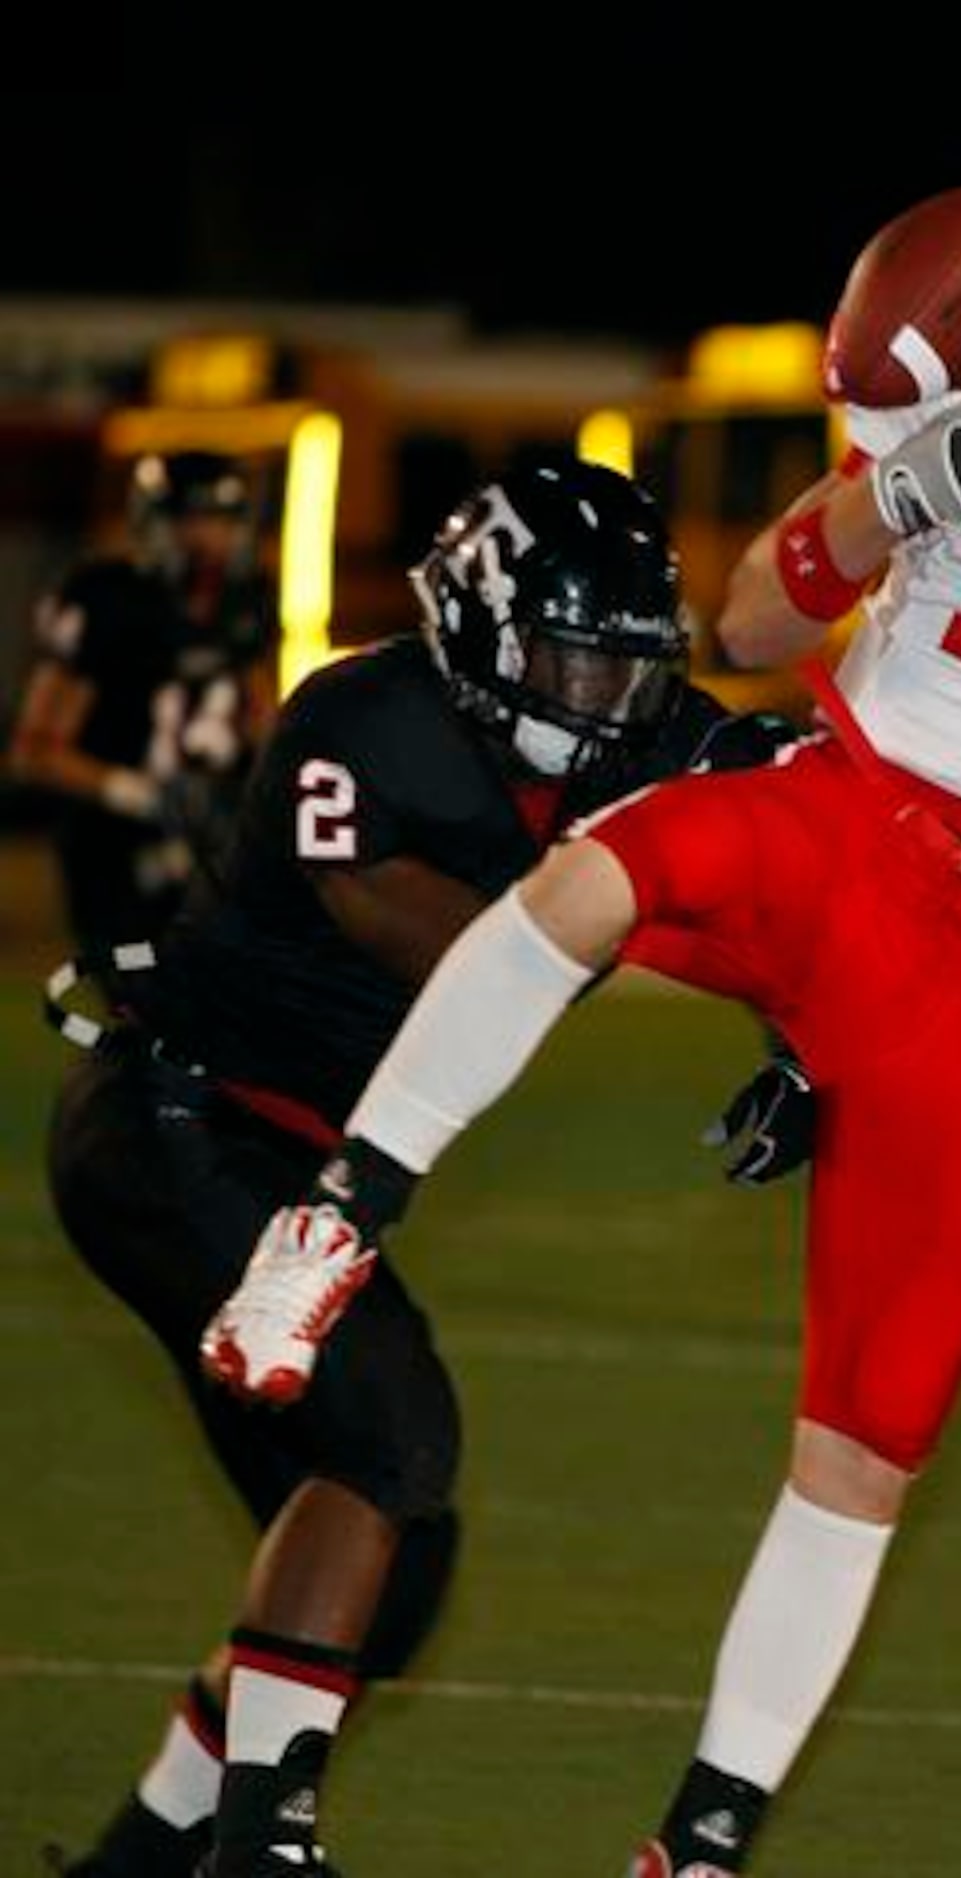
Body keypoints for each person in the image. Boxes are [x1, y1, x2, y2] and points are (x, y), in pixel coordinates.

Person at [200, 98, 961, 1876]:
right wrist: (903, 489)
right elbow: (754, 630)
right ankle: (333, 1218)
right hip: (846, 804)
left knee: (867, 1435)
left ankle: (697, 1846)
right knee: (595, 873)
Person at [39, 457, 803, 1878]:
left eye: (625, 668)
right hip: (175, 1124)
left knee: (389, 1561)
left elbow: (793, 860)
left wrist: (801, 1030)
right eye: (570, 659)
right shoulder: (362, 720)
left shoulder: (634, 735)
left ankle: (136, 1862)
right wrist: (643, 877)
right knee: (384, 1434)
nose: (600, 701)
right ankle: (262, 1847)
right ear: (479, 626)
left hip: (284, 1154)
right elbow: (469, 954)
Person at [6, 449, 278, 955]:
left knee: (225, 1001)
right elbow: (34, 751)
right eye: (197, 519)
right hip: (116, 852)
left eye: (224, 519)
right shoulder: (104, 599)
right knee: (144, 996)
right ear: (158, 522)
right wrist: (142, 794)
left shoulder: (248, 597)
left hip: (213, 840)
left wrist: (254, 798)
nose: (213, 538)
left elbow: (264, 721)